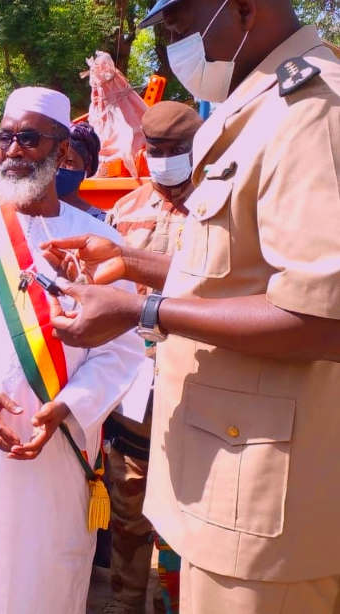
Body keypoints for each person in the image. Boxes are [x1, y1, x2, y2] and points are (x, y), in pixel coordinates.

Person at [42, 0, 340, 611]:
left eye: (179, 27)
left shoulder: (313, 109)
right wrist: (130, 261)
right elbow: (236, 276)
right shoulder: (260, 107)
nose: (174, 48)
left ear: (245, 9)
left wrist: (143, 312)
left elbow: (322, 318)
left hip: (266, 506)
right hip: (228, 480)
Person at [0, 86, 143, 614]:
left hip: (57, 452)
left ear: (63, 151)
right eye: (5, 137)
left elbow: (123, 347)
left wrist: (69, 406)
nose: (13, 150)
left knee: (45, 581)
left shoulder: (99, 242)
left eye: (29, 138)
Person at [102, 100, 202, 614]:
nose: (163, 159)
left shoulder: (216, 208)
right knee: (128, 510)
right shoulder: (125, 210)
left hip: (196, 387)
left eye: (175, 149)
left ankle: (171, 605)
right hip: (133, 391)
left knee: (183, 518)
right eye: (155, 149)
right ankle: (124, 602)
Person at [60, 121, 106, 221]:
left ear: (86, 170)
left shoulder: (101, 220)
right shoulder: (30, 216)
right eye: (56, 158)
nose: (60, 166)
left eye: (70, 162)